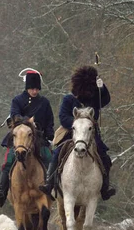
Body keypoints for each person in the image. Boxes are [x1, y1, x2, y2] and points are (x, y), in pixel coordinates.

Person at [39, 65, 116, 201]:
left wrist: (102, 87)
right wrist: (78, 125)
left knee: (104, 157)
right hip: (71, 133)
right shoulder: (69, 100)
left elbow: (106, 99)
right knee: (57, 154)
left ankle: (105, 188)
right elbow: (63, 117)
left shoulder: (94, 99)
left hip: (91, 134)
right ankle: (49, 183)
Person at [0, 69, 55, 207]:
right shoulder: (17, 100)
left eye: (37, 88)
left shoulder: (44, 102)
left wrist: (49, 134)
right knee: (8, 162)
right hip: (19, 138)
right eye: (32, 88)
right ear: (27, 87)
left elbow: (50, 121)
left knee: (50, 159)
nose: (35, 91)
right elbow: (15, 115)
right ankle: (2, 193)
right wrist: (28, 121)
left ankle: (51, 189)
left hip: (38, 138)